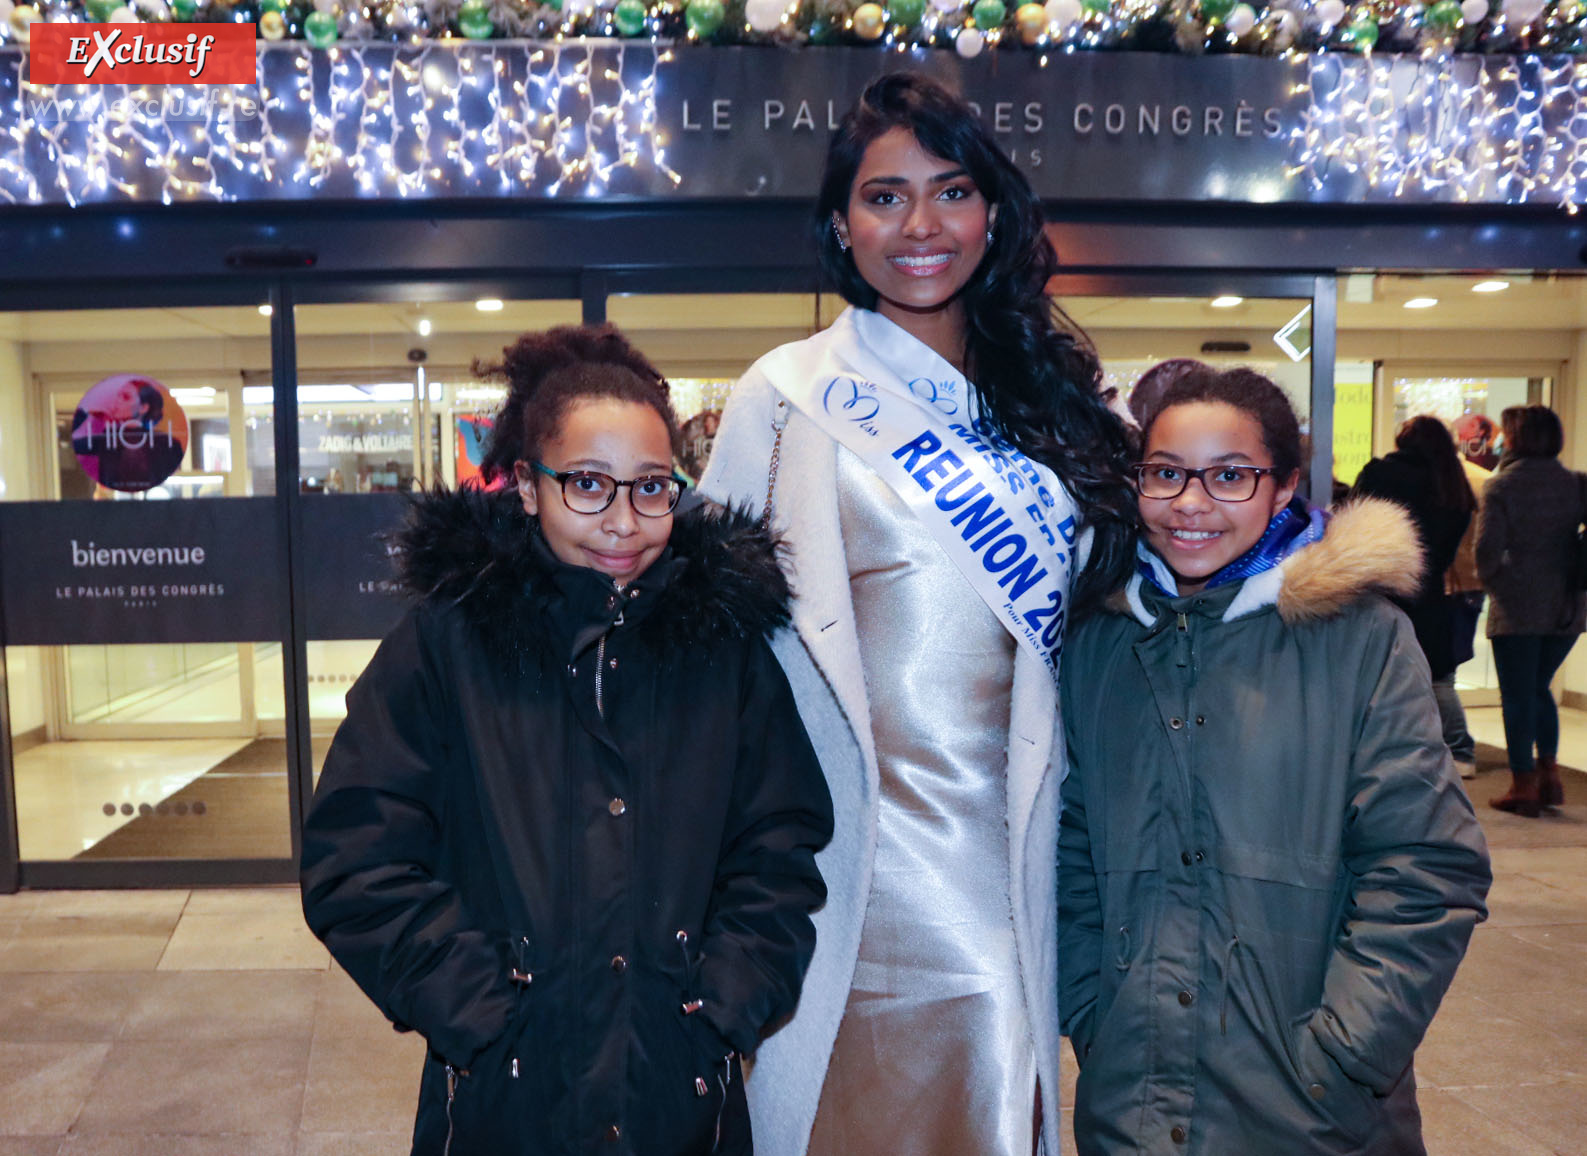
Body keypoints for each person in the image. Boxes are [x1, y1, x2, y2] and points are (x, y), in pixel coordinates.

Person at [700, 71, 1136, 1156]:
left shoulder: (1058, 405)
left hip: (1009, 857)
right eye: (885, 197)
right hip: (842, 857)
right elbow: (709, 641)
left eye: (951, 191)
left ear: (994, 211)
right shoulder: (789, 394)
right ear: (841, 226)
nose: (921, 226)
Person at [300, 324, 835, 1156]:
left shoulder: (721, 649)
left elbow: (780, 843)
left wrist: (729, 1002)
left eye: (651, 487)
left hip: (679, 1093)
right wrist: (475, 1008)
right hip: (504, 1100)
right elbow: (355, 856)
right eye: (587, 484)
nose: (623, 522)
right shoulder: (448, 644)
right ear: (525, 485)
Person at [1059, 366, 1491, 1156]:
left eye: (1230, 476)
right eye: (1165, 474)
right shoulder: (1100, 639)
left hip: (1316, 1113)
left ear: (1284, 486)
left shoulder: (1358, 638)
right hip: (1132, 1104)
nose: (1191, 503)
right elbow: (1069, 853)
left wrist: (1341, 1059)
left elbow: (1426, 866)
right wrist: (1093, 1014)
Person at [1350, 416, 1478, 777]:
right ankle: (1460, 749)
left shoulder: (1381, 474)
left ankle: (1392, 749)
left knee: (1378, 672)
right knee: (1438, 676)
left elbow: (1355, 523)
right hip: (1431, 594)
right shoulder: (1452, 486)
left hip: (1382, 587)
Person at [1477, 403, 1587, 816]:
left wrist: (1500, 585)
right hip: (1567, 604)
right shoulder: (1578, 484)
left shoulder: (1502, 486)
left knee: (1517, 695)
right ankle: (1550, 773)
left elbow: (1487, 552)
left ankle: (1523, 782)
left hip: (1517, 605)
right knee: (1540, 689)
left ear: (1517, 439)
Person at [1443, 420, 1496, 778]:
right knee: (1446, 671)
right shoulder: (1482, 480)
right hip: (1472, 586)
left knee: (1440, 674)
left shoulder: (1440, 482)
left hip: (1448, 587)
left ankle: (1460, 747)